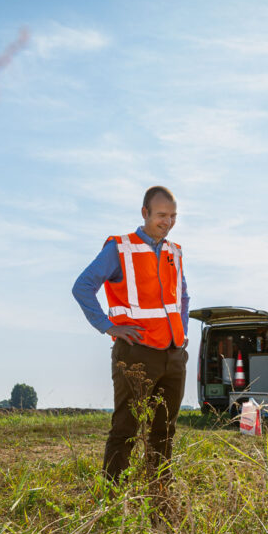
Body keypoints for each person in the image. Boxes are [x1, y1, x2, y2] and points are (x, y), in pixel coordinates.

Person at [72, 186, 189, 483]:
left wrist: (183, 333)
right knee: (126, 429)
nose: (168, 222)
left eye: (173, 216)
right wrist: (108, 326)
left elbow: (183, 297)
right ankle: (113, 502)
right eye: (162, 215)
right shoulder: (120, 248)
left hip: (174, 354)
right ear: (145, 213)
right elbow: (82, 287)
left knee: (164, 432)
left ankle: (160, 496)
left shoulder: (174, 252)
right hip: (136, 354)